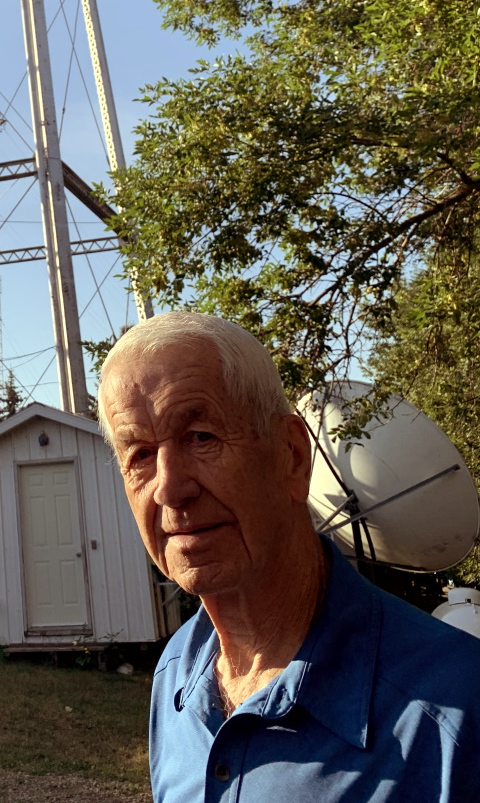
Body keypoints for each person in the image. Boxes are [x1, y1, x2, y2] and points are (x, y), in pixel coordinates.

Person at [97, 312, 480, 803]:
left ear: (293, 456)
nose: (170, 489)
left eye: (201, 437)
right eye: (140, 455)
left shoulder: (457, 713)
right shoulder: (176, 672)